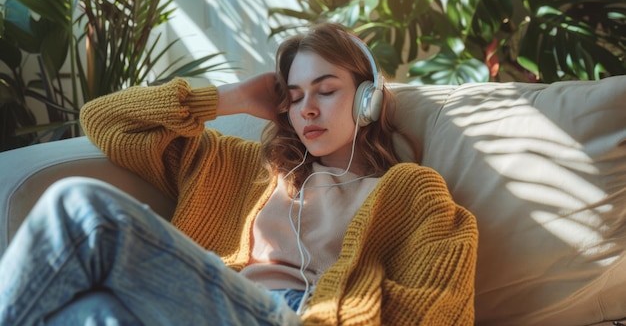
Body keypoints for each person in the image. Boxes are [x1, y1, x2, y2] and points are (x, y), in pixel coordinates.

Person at [0, 22, 478, 325]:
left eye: (326, 90)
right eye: (293, 96)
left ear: (367, 99)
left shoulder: (413, 192)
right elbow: (105, 121)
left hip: (297, 316)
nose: (306, 109)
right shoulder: (238, 166)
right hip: (208, 304)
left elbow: (436, 308)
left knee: (79, 206)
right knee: (91, 313)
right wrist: (231, 98)